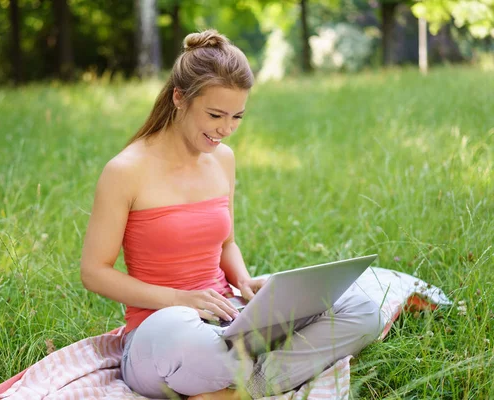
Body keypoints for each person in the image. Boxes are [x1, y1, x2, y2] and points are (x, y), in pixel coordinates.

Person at [80, 29, 384, 399]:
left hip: (228, 319)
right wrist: (180, 299)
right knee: (200, 344)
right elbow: (94, 272)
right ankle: (254, 374)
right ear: (179, 97)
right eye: (215, 114)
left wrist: (244, 282)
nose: (226, 130)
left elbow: (226, 244)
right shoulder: (125, 171)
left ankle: (241, 388)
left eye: (237, 116)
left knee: (362, 310)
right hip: (161, 330)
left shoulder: (222, 160)